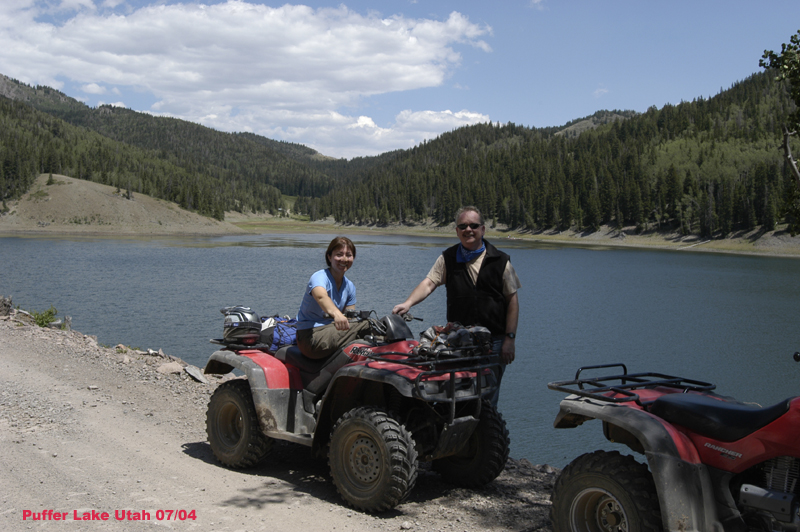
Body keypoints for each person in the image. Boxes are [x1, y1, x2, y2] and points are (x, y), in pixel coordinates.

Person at [392, 206, 521, 407]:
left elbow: (513, 301)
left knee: (488, 400)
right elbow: (429, 283)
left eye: (473, 225)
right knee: (456, 396)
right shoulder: (448, 258)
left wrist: (510, 339)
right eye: (463, 226)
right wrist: (407, 303)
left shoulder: (500, 260)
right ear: (456, 231)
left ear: (483, 229)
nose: (468, 229)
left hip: (494, 343)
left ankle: (486, 437)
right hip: (458, 341)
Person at [295, 236, 371, 359]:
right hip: (310, 336)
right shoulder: (319, 277)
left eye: (349, 255)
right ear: (329, 257)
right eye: (339, 254)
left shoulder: (350, 286)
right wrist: (337, 314)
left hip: (332, 331)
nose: (344, 259)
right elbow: (321, 297)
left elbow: (350, 318)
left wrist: (348, 319)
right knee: (368, 326)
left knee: (374, 329)